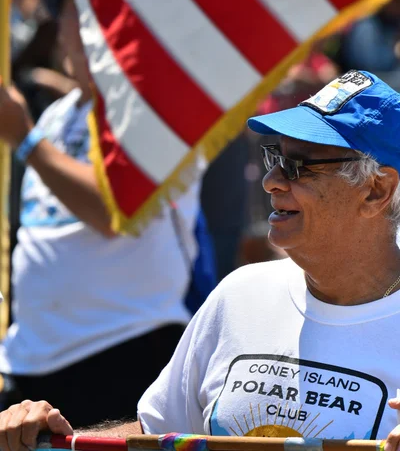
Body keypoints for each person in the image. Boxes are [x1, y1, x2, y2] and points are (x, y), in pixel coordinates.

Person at [5, 69, 400, 450]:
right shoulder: (240, 295)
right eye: (274, 159)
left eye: (299, 167)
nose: (272, 181)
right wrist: (52, 441)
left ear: (376, 190)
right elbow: (155, 434)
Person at [0, 0, 212, 428]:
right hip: (34, 362)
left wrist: (23, 137)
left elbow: (111, 213)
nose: (64, 28)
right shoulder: (60, 114)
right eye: (67, 14)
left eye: (81, 13)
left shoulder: (158, 107)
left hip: (125, 350)